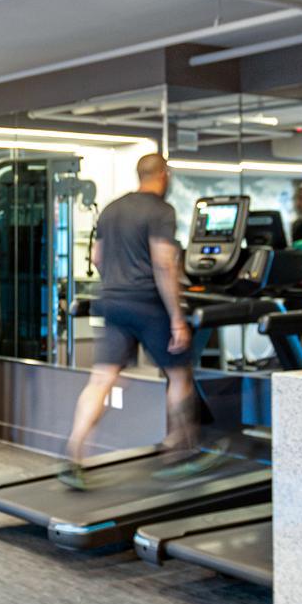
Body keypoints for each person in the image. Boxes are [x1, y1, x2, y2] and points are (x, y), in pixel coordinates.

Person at [62, 153, 201, 488]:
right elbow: (164, 264)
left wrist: (118, 281)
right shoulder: (161, 211)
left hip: (111, 301)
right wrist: (177, 318)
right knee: (179, 374)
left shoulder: (113, 208)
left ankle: (75, 450)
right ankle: (182, 448)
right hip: (148, 304)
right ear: (163, 175)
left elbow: (97, 256)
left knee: (101, 380)